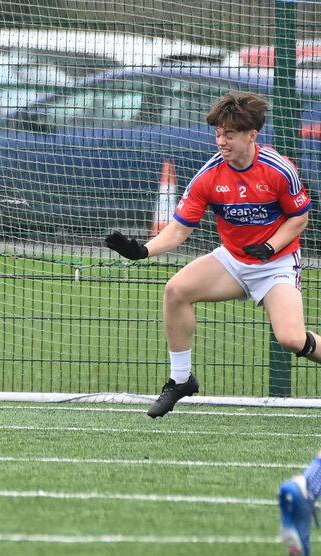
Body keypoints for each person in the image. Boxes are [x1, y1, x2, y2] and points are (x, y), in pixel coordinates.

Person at [105, 91, 318, 419]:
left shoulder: (278, 169)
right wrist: (142, 251)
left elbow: (299, 218)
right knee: (176, 291)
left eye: (229, 134)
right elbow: (178, 231)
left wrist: (270, 247)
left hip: (275, 264)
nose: (221, 140)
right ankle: (181, 380)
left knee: (290, 338)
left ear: (252, 135)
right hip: (233, 260)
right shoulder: (208, 176)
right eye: (218, 133)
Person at [279, 457, 319, 556]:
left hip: (292, 488)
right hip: (301, 493)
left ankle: (289, 525)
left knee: (300, 545)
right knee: (302, 545)